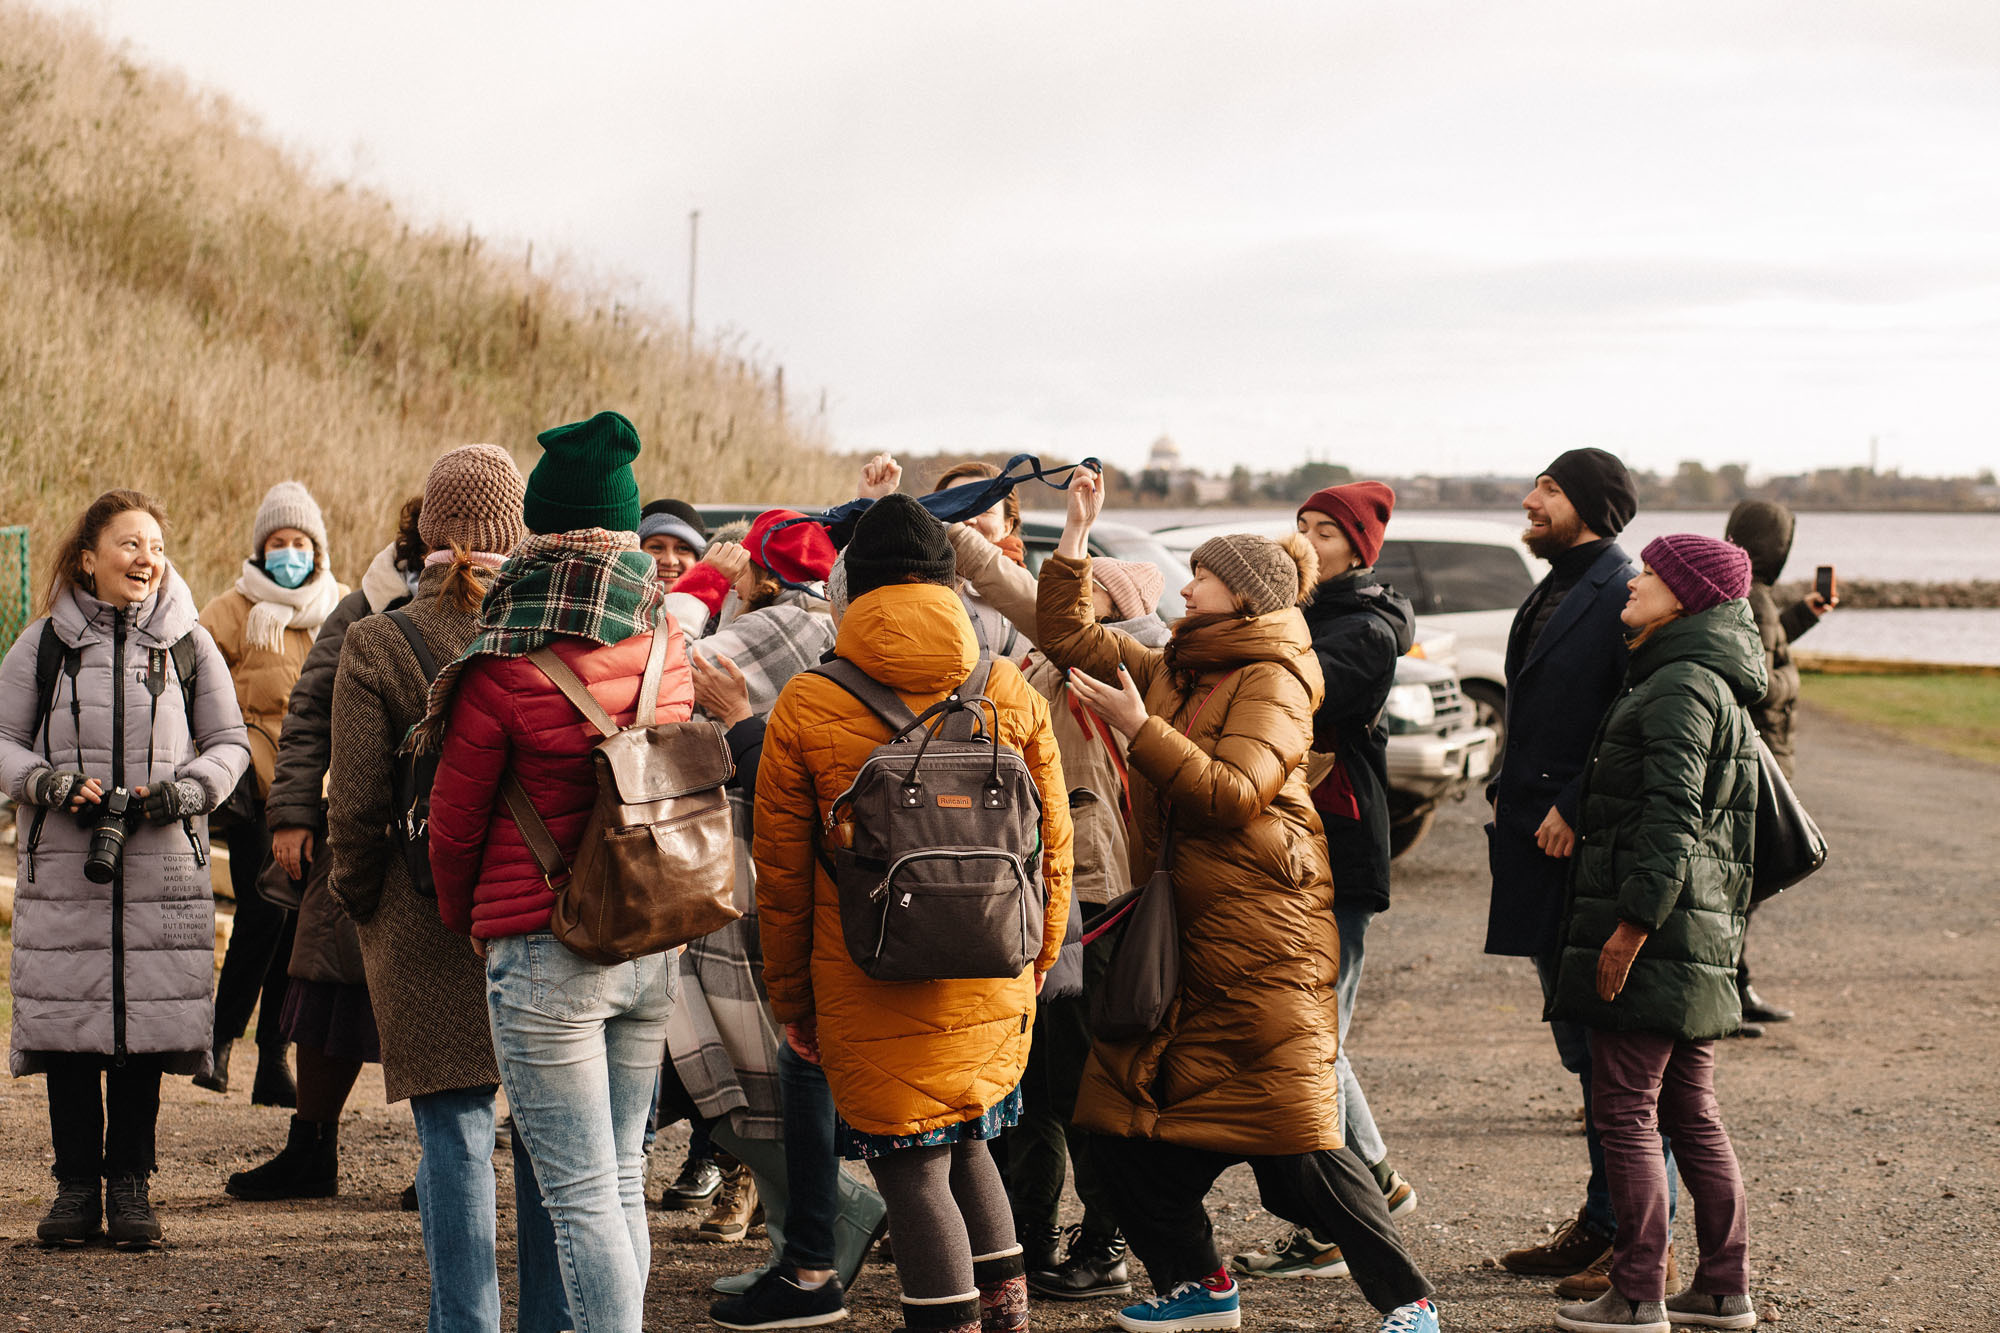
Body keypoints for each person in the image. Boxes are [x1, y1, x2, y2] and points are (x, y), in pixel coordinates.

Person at [1037, 469, 1438, 1333]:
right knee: (1119, 1124)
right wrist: (1075, 533)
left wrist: (1139, 730)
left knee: (1296, 1146)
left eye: (1202, 577)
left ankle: (1410, 1304)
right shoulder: (1184, 664)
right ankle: (1199, 1286)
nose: (1185, 586)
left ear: (1243, 598)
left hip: (1263, 935)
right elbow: (1069, 632)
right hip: (1188, 931)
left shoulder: (1276, 680)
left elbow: (1231, 793)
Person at [755, 494, 1073, 1333]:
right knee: (970, 1145)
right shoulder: (1008, 684)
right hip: (995, 969)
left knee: (914, 1173)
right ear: (950, 584)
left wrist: (791, 999)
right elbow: (1055, 848)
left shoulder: (808, 701)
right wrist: (1036, 961)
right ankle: (1007, 1323)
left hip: (867, 979)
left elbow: (782, 878)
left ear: (852, 584)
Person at [426, 412, 691, 1333]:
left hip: (542, 951)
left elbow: (454, 826)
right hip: (652, 938)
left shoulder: (501, 663)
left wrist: (468, 918)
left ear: (540, 528)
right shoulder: (666, 647)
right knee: (620, 1177)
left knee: (577, 1192)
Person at [327, 447, 568, 1332]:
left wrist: (362, 900)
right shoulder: (547, 633)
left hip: (422, 918)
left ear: (427, 530)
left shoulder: (380, 640)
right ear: (516, 534)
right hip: (538, 913)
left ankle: (463, 1324)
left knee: (456, 1136)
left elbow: (352, 806)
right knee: (549, 1142)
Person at [1, 490, 251, 1248]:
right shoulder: (42, 643)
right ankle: (75, 1189)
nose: (148, 557)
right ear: (88, 558)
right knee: (71, 1026)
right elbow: (3, 742)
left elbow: (231, 745)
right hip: (66, 862)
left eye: (156, 544)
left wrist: (185, 791)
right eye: (129, 543)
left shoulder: (191, 644)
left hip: (163, 863)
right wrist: (45, 783)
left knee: (143, 1028)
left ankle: (132, 1188)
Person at [944, 513, 1170, 1301]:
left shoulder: (1117, 665)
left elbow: (1021, 595)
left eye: (1084, 596)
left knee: (1084, 1085)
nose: (1065, 606)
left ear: (1113, 607)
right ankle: (1025, 1238)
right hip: (1045, 893)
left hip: (1097, 898)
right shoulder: (1045, 661)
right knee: (1037, 1084)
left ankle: (1103, 1242)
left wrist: (970, 538)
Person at [1547, 535, 1765, 1333]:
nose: (1633, 583)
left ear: (1688, 595)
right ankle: (1721, 1288)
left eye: (1652, 573)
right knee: (1692, 1114)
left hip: (1659, 935)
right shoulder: (1706, 680)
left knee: (1627, 1112)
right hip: (1698, 936)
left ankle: (1638, 1293)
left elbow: (1673, 818)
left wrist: (1632, 925)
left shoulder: (1679, 685)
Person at [1485, 451, 1676, 1298]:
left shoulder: (1620, 590)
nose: (1530, 500)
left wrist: (1576, 800)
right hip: (1533, 843)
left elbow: (1628, 718)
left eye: (1550, 490)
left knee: (1613, 1055)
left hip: (1580, 849)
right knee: (1581, 1049)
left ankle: (1637, 1243)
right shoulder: (1560, 582)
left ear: (1593, 506)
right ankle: (1603, 1224)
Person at [1230, 482, 1419, 1283]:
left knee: (1311, 1036)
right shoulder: (1305, 615)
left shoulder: (1366, 628)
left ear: (1356, 548)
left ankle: (1348, 1217)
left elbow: (1298, 695)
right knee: (1313, 1035)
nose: (1300, 538)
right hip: (1295, 846)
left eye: (1321, 529)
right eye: (1299, 523)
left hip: (1340, 847)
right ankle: (1374, 1180)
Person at [227, 495, 425, 1201]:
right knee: (324, 982)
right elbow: (310, 705)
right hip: (358, 826)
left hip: (453, 829)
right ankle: (311, 1148)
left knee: (447, 997)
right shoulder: (369, 600)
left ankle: (444, 1166)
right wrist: (290, 813)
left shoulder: (505, 596)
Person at [195, 480, 349, 1105]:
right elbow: (197, 683)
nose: (290, 552)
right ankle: (222, 1034)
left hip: (324, 790)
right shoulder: (230, 610)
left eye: (300, 542)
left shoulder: (341, 606)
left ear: (318, 549)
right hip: (256, 784)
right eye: (277, 542)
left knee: (298, 924)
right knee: (264, 909)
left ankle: (273, 1055)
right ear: (260, 550)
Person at [1722, 499, 1834, 1028]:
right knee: (1750, 881)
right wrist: (1795, 681)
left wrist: (1805, 616)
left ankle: (1734, 986)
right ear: (1779, 545)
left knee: (1744, 881)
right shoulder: (1756, 597)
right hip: (1764, 759)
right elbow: (1761, 684)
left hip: (1759, 756)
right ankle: (1729, 990)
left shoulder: (1744, 591)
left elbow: (1765, 648)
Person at [640, 497, 710, 588]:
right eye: (656, 548)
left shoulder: (729, 600)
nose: (669, 561)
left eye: (683, 548)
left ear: (699, 559)